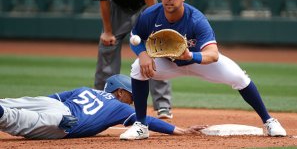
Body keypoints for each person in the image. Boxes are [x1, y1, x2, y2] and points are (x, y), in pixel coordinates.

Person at [120, 0, 287, 140]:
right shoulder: (150, 14)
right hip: (167, 61)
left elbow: (213, 54)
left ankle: (269, 121)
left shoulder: (196, 19)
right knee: (137, 68)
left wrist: (190, 55)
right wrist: (142, 54)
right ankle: (141, 125)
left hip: (199, 61)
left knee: (239, 77)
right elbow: (135, 37)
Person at [0, 74, 206, 139]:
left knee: (14, 103)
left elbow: (46, 100)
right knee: (13, 119)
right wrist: (181, 130)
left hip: (52, 105)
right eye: (131, 97)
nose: (132, 102)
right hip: (62, 123)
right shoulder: (121, 107)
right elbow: (148, 120)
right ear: (120, 92)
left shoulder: (83, 89)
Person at [91, 0, 173, 119]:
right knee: (107, 47)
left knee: (155, 50)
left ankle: (163, 106)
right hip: (116, 8)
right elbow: (104, 1)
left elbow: (150, 0)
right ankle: (101, 101)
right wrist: (108, 31)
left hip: (144, 9)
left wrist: (154, 30)